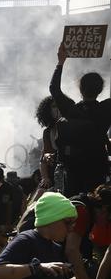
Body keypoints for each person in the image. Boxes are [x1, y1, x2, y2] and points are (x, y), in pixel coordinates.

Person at [49, 43, 110, 196]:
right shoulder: (106, 109)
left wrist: (60, 62)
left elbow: (54, 89)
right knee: (96, 200)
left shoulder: (70, 109)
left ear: (80, 89)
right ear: (100, 90)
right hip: (97, 163)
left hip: (72, 165)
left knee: (73, 202)